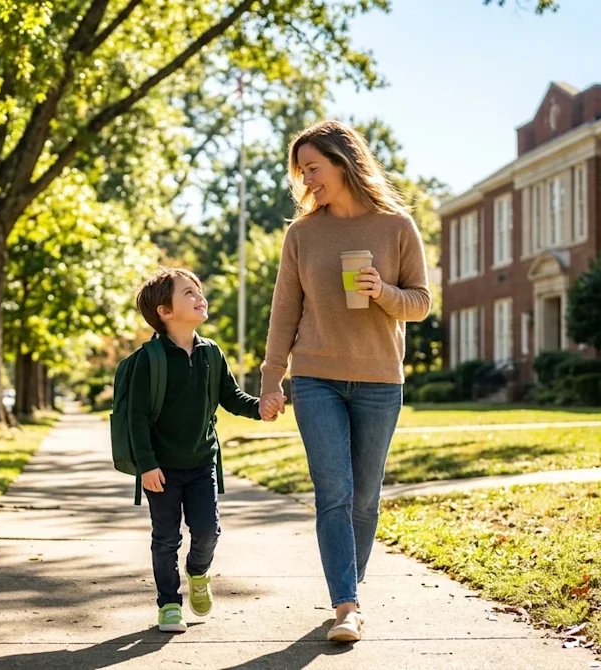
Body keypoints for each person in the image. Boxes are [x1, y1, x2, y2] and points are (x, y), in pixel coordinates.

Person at [260, 120, 431, 642]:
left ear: (343, 161)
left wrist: (382, 291)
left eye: (313, 167)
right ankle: (347, 606)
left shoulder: (397, 227)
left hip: (380, 379)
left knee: (364, 498)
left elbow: (421, 303)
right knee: (333, 492)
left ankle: (348, 586)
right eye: (301, 170)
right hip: (316, 378)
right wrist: (272, 380)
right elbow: (284, 312)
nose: (307, 179)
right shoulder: (302, 234)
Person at [128, 268, 283, 633]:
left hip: (201, 463)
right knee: (165, 538)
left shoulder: (212, 353)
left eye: (199, 290)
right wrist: (146, 465)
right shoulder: (148, 360)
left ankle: (198, 572)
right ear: (165, 312)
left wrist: (259, 408)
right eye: (188, 293)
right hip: (161, 469)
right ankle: (168, 603)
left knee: (208, 531)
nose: (200, 297)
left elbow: (230, 397)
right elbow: (135, 419)